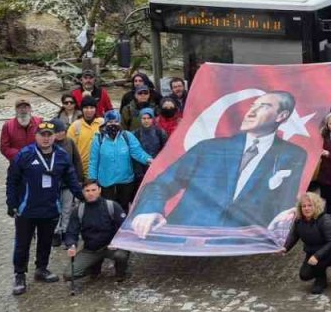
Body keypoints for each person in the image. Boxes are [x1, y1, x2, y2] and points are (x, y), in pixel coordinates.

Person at [130, 92, 306, 234]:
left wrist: (287, 212)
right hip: (188, 233)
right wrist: (149, 210)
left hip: (243, 238)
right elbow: (160, 184)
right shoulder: (207, 148)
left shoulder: (294, 154)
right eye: (253, 105)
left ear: (281, 115)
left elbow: (286, 197)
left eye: (263, 106)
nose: (251, 111)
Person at [7, 121, 82, 295]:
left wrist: (83, 197)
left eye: (49, 135)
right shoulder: (25, 155)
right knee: (22, 243)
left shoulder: (62, 156)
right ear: (36, 137)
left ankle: (41, 268)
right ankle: (19, 275)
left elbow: (72, 179)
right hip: (27, 209)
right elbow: (12, 180)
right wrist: (11, 203)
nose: (46, 139)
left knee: (46, 241)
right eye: (43, 135)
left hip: (50, 208)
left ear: (55, 136)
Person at [63, 181, 130, 293]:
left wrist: (117, 242)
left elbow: (125, 228)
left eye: (93, 190)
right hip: (91, 249)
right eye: (87, 191)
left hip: (111, 247)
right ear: (83, 192)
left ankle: (120, 273)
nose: (90, 193)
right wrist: (71, 245)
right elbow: (71, 232)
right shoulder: (78, 210)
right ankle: (93, 267)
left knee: (121, 255)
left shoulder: (112, 206)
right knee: (69, 274)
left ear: (99, 190)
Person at [87, 110, 154, 212]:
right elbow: (93, 161)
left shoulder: (127, 136)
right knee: (107, 209)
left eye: (115, 122)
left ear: (120, 122)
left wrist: (149, 160)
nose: (113, 124)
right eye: (110, 122)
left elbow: (137, 152)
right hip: (106, 182)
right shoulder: (98, 139)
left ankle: (122, 225)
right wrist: (92, 180)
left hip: (125, 181)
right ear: (105, 123)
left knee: (123, 209)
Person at [280, 193, 331, 294]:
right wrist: (285, 248)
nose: (306, 208)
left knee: (318, 263)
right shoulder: (298, 221)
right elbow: (294, 236)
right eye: (304, 206)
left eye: (310, 205)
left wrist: (317, 256)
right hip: (312, 251)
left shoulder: (325, 219)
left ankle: (321, 281)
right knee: (304, 275)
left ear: (316, 205)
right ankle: (320, 271)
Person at [50, 117, 84, 246]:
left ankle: (65, 231)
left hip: (68, 183)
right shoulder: (48, 145)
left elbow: (77, 161)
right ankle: (55, 232)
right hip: (53, 185)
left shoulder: (70, 142)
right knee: (54, 209)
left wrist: (79, 179)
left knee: (67, 208)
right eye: (57, 131)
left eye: (62, 130)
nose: (60, 133)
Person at [66, 97, 104, 178]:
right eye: (86, 107)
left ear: (95, 109)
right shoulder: (75, 126)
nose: (89, 110)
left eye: (92, 107)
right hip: (82, 169)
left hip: (102, 167)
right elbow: (68, 149)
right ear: (82, 109)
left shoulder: (102, 123)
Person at [132, 107, 168, 189]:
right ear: (140, 119)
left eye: (149, 118)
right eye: (144, 118)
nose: (146, 121)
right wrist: (138, 173)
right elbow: (134, 153)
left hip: (157, 169)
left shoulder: (160, 133)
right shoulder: (135, 134)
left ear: (153, 119)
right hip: (140, 170)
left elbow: (166, 151)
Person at [0, 98, 42, 163]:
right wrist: (20, 154)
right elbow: (4, 148)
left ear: (30, 109)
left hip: (37, 160)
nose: (23, 110)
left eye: (26, 107)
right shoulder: (7, 126)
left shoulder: (39, 122)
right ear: (16, 110)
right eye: (20, 108)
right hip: (17, 162)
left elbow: (45, 141)